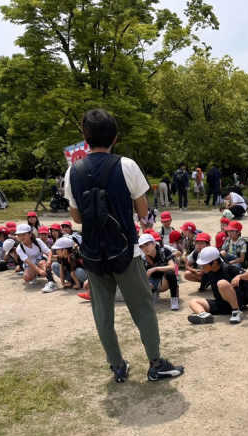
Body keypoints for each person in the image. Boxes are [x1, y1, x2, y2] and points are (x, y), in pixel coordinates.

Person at [64, 108, 183, 383]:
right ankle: (155, 364)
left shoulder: (73, 171)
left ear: (85, 138)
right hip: (125, 251)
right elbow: (142, 212)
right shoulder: (127, 165)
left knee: (102, 314)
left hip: (93, 254)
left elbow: (77, 218)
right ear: (115, 137)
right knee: (142, 307)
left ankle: (117, 367)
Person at [187, 246, 248, 325]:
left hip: (236, 301)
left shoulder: (227, 267)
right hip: (221, 303)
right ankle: (205, 315)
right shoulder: (210, 272)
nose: (202, 266)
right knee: (193, 301)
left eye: (204, 264)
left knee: (222, 283)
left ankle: (236, 312)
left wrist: (239, 276)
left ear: (214, 263)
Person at [138, 233, 180, 310]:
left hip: (164, 281)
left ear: (154, 244)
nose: (145, 248)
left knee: (170, 273)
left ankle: (174, 299)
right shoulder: (142, 258)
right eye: (141, 246)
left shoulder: (163, 251)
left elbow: (173, 267)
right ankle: (154, 292)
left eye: (147, 244)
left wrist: (156, 268)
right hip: (152, 281)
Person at [15, 224, 59, 293]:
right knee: (27, 277)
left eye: (23, 234)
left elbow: (49, 251)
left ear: (30, 234)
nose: (21, 237)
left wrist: (48, 261)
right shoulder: (19, 248)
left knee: (43, 263)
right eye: (19, 235)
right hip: (30, 265)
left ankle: (52, 283)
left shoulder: (37, 241)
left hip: (40, 261)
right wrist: (39, 271)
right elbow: (28, 262)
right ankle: (34, 275)